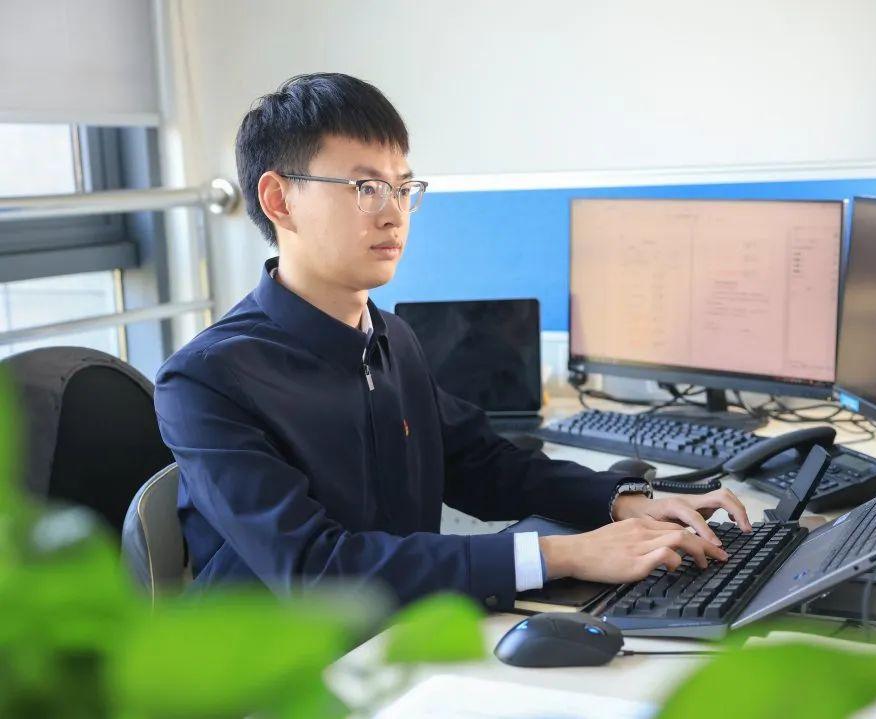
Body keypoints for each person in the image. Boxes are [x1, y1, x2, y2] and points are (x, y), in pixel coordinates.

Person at [154, 73, 751, 610]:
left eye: (402, 188)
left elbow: (478, 464)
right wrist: (563, 555)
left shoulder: (390, 337)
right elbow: (316, 569)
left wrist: (623, 500)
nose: (394, 214)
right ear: (278, 199)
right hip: (289, 668)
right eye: (365, 187)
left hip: (404, 632)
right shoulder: (207, 380)